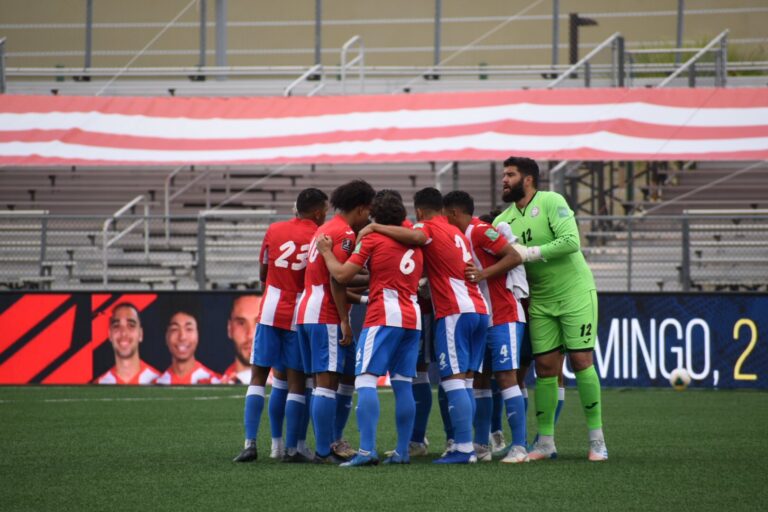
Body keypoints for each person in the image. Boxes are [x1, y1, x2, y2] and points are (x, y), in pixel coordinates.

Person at [357, 187, 489, 464]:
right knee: (465, 381)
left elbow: (416, 237)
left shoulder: (425, 227)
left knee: (452, 381)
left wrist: (375, 227)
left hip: (454, 310)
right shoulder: (454, 231)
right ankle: (466, 445)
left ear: (419, 211)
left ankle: (464, 448)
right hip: (478, 308)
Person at [493, 156, 607, 462]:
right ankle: (545, 442)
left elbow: (571, 241)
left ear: (528, 179)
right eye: (504, 175)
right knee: (544, 368)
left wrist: (528, 253)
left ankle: (597, 440)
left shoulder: (551, 201)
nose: (504, 180)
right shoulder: (501, 220)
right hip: (540, 300)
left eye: (510, 174)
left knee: (581, 360)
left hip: (574, 293)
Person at [317, 190, 423, 466]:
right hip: (412, 316)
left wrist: (327, 252)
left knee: (365, 379)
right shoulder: (413, 238)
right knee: (403, 384)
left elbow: (341, 275)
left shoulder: (373, 238)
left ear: (374, 215)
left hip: (383, 314)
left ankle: (366, 451)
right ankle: (402, 451)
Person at [233, 188, 329, 464]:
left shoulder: (274, 229)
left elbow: (263, 272)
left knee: (260, 378)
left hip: (270, 310)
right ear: (318, 212)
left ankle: (252, 444)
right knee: (296, 383)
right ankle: (291, 448)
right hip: (300, 312)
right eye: (325, 210)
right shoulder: (320, 236)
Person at [443, 191, 529, 464]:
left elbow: (514, 256)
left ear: (454, 212)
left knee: (506, 377)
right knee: (480, 380)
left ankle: (520, 446)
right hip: (481, 315)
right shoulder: (457, 237)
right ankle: (482, 445)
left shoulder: (480, 230)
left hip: (503, 314)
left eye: (445, 215)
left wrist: (483, 274)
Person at [296, 179, 375, 463]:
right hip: (325, 314)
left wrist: (372, 280)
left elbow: (339, 275)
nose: (369, 217)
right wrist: (344, 320)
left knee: (342, 377)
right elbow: (337, 279)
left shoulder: (325, 229)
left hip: (308, 310)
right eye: (369, 211)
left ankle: (334, 440)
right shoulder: (345, 234)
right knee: (326, 383)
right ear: (361, 208)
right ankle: (324, 450)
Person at [96, 302, 160, 385]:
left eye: (131, 325)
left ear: (140, 334)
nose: (123, 333)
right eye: (116, 325)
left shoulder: (159, 382)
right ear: (110, 335)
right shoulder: (99, 385)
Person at [156, 308, 220, 385]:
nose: (182, 337)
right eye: (175, 329)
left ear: (198, 335)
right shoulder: (157, 385)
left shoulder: (215, 383)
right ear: (166, 336)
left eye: (189, 329)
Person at [221, 295, 261, 385]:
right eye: (241, 323)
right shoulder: (212, 382)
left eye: (259, 322)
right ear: (229, 328)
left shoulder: (289, 382)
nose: (250, 335)